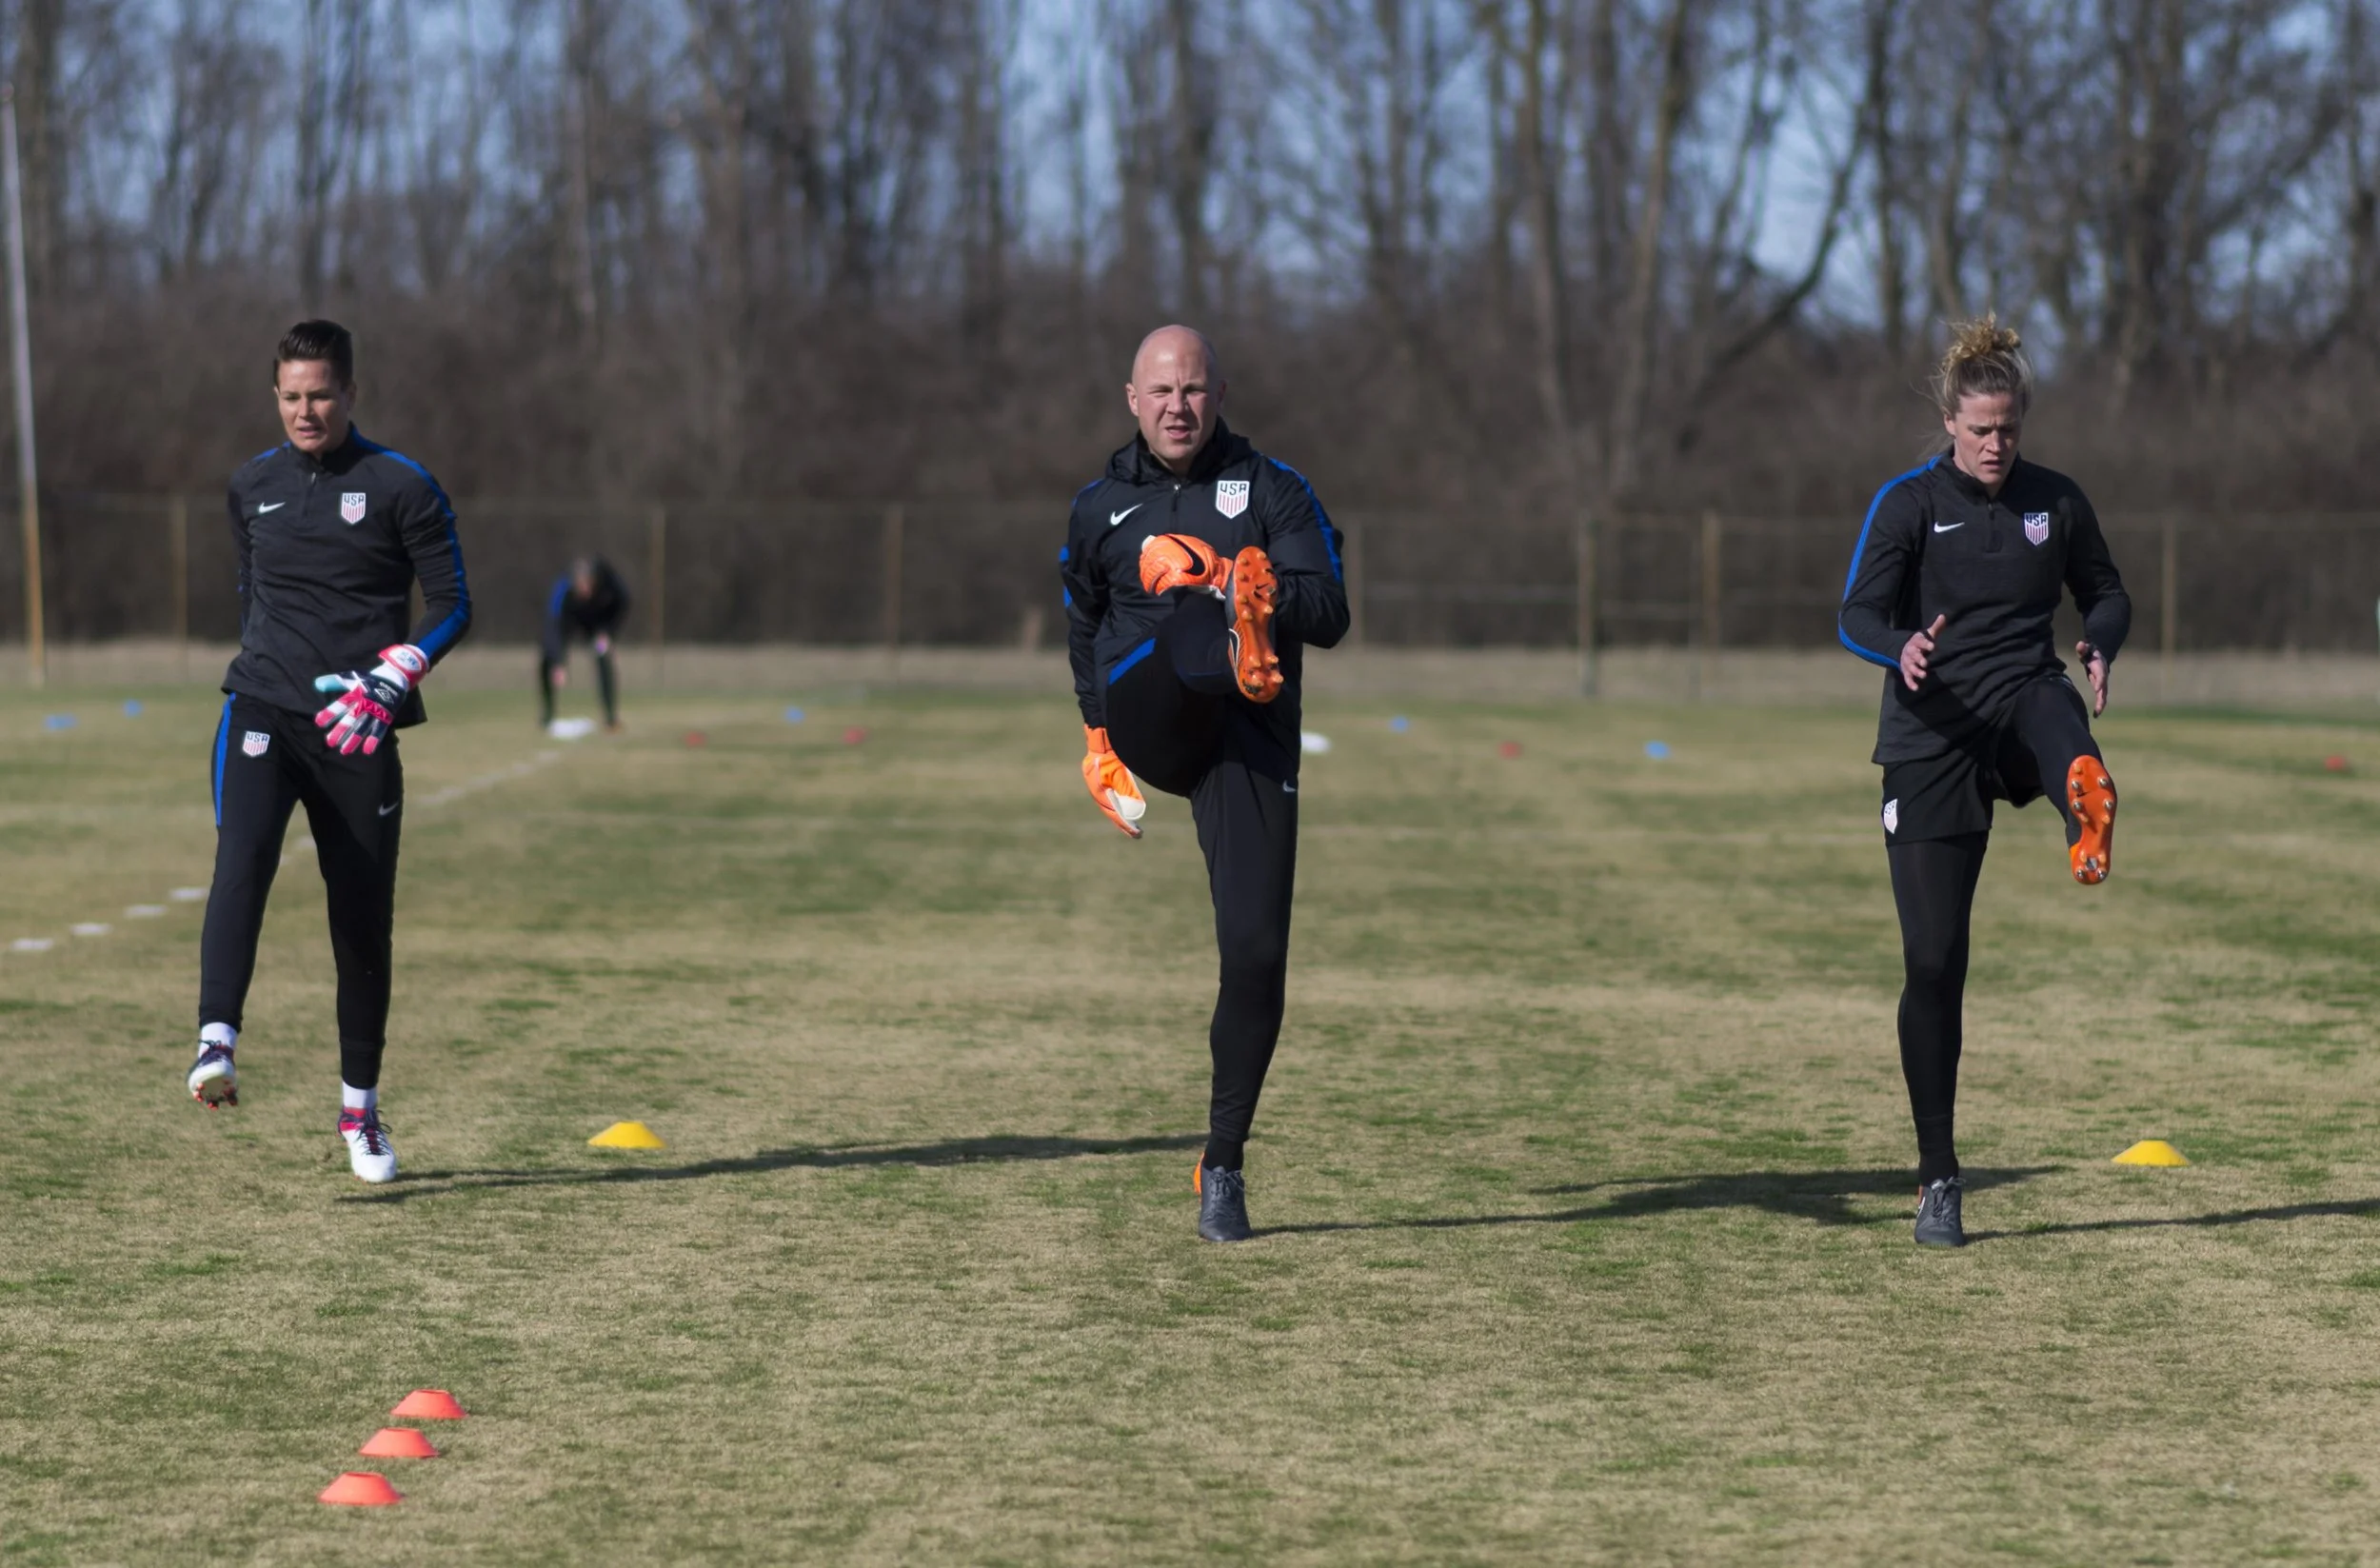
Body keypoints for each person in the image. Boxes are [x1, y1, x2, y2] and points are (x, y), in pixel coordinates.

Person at [1837, 316, 2130, 1248]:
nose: (1996, 446)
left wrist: (2099, 638)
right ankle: (1936, 1179)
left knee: (2051, 713)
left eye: (2008, 430)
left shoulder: (2058, 501)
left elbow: (2107, 591)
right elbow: (1854, 612)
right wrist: (1901, 644)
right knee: (1933, 962)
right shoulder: (1908, 504)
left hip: (2018, 706)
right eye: (1979, 432)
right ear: (1949, 424)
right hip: (1930, 740)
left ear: (2021, 423)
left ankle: (2080, 798)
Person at [1062, 325, 1349, 1242]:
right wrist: (1097, 737)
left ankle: (1220, 1163)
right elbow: (1082, 623)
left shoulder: (1276, 489)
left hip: (1246, 737)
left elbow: (1334, 611)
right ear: (1131, 400)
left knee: (1258, 952)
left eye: (1193, 389)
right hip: (1149, 709)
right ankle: (1218, 622)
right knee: (1180, 607)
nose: (1178, 406)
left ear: (1220, 393)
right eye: (1161, 391)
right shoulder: (1098, 505)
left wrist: (1245, 580)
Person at [184, 320, 474, 1185]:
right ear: (274, 397)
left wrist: (394, 676)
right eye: (290, 396)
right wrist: (271, 670)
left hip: (361, 728)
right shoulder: (250, 486)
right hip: (264, 708)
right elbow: (253, 597)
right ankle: (216, 1040)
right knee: (242, 859)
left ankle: (361, 1111)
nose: (304, 411)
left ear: (351, 392)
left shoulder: (402, 484)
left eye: (320, 394)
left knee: (359, 921)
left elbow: (455, 603)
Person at [540, 555, 630, 730]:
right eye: (580, 586)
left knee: (602, 656)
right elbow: (554, 627)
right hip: (571, 620)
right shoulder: (563, 590)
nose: (584, 590)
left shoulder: (609, 582)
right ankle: (548, 715)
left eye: (587, 585)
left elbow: (623, 604)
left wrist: (609, 633)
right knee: (547, 659)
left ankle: (610, 716)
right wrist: (559, 663)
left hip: (598, 624)